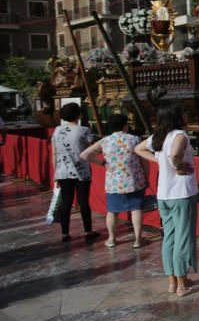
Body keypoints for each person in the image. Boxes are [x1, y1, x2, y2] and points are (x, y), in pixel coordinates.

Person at [135, 104, 199, 297]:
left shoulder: (158, 137)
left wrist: (159, 160)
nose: (187, 115)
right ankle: (182, 282)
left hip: (164, 194)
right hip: (182, 193)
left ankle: (172, 280)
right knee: (183, 237)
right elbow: (175, 154)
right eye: (185, 112)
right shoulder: (180, 135)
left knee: (169, 237)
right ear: (178, 116)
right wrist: (177, 166)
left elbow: (138, 149)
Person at [81, 112, 148, 248]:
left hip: (114, 182)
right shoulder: (135, 140)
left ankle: (112, 239)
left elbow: (84, 154)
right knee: (136, 209)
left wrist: (101, 163)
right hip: (134, 180)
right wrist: (146, 177)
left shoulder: (105, 141)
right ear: (125, 126)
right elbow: (144, 162)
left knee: (112, 211)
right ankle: (138, 239)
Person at [52, 102, 98, 242]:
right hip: (82, 170)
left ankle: (65, 233)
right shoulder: (84, 130)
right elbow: (90, 151)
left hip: (62, 171)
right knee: (83, 201)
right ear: (78, 114)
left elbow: (54, 153)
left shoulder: (57, 131)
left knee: (66, 202)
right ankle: (88, 230)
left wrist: (55, 172)